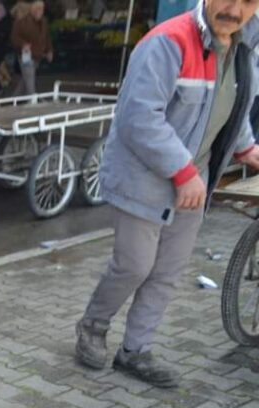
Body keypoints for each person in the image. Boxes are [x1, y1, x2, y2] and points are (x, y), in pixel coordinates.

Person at [76, 0, 259, 387]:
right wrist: (183, 171)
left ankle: (135, 351)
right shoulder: (167, 42)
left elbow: (234, 104)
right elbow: (139, 117)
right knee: (134, 266)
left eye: (247, 1)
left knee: (166, 273)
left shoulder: (243, 50)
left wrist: (246, 148)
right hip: (144, 180)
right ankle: (92, 326)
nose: (235, 8)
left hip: (193, 183)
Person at [10, 0, 52, 95]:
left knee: (26, 78)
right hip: (26, 54)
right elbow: (14, 37)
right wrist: (23, 44)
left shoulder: (44, 21)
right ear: (32, 10)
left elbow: (47, 37)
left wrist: (49, 50)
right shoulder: (21, 21)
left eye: (41, 9)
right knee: (29, 77)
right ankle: (32, 99)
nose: (39, 11)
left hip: (38, 54)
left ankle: (14, 98)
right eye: (37, 9)